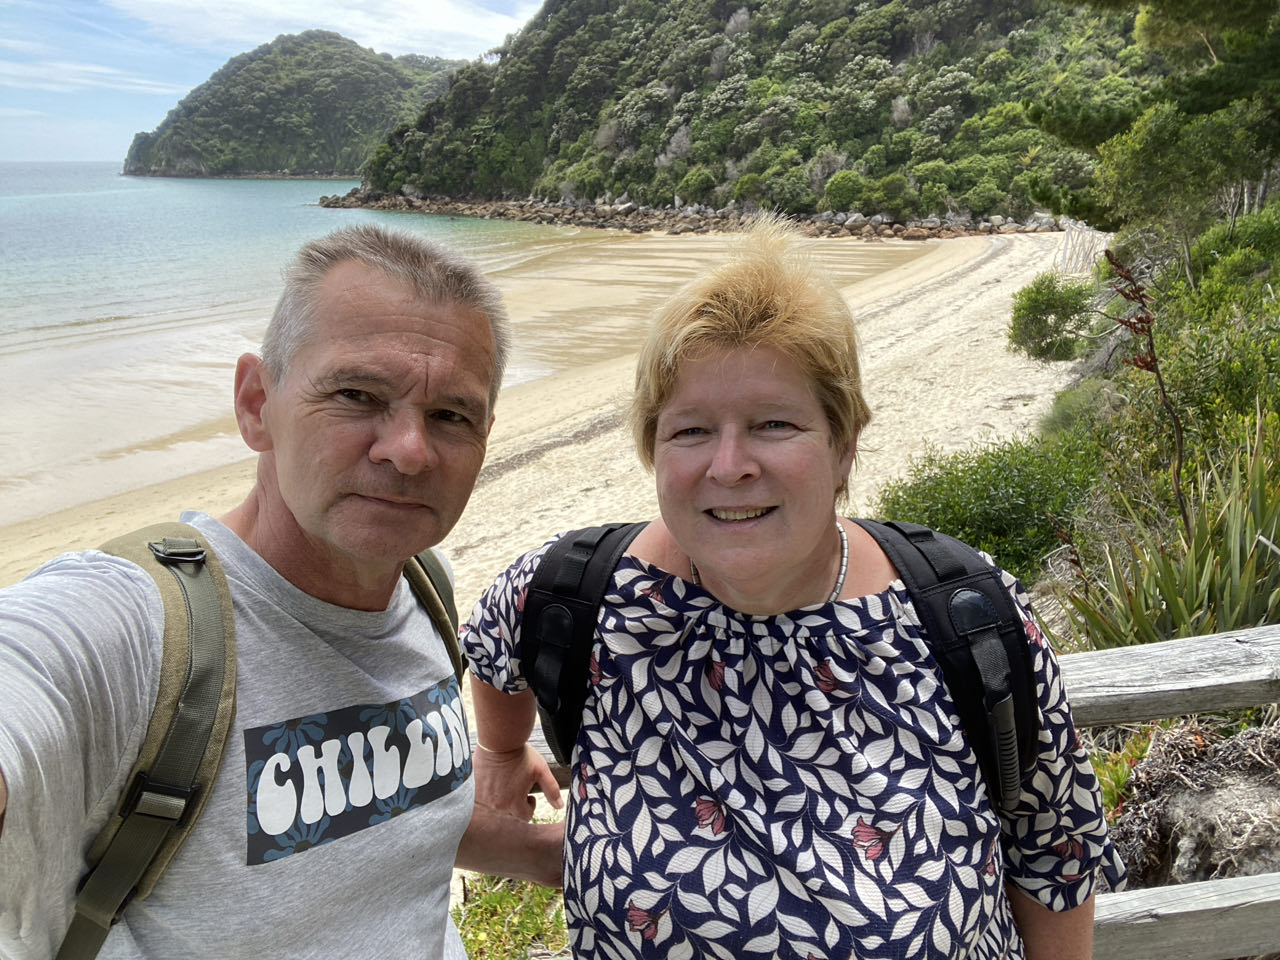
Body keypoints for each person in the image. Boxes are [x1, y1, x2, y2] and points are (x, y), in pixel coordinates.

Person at [463, 218, 1125, 960]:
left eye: (774, 423)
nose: (730, 465)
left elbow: (1055, 856)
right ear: (653, 450)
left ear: (844, 447)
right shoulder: (577, 593)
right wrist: (501, 750)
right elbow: (492, 644)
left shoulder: (967, 616)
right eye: (690, 431)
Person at [0, 224, 562, 959]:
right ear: (255, 403)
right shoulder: (135, 630)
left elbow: (388, 813)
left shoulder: (425, 585)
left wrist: (553, 856)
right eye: (357, 395)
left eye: (451, 415)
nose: (409, 451)